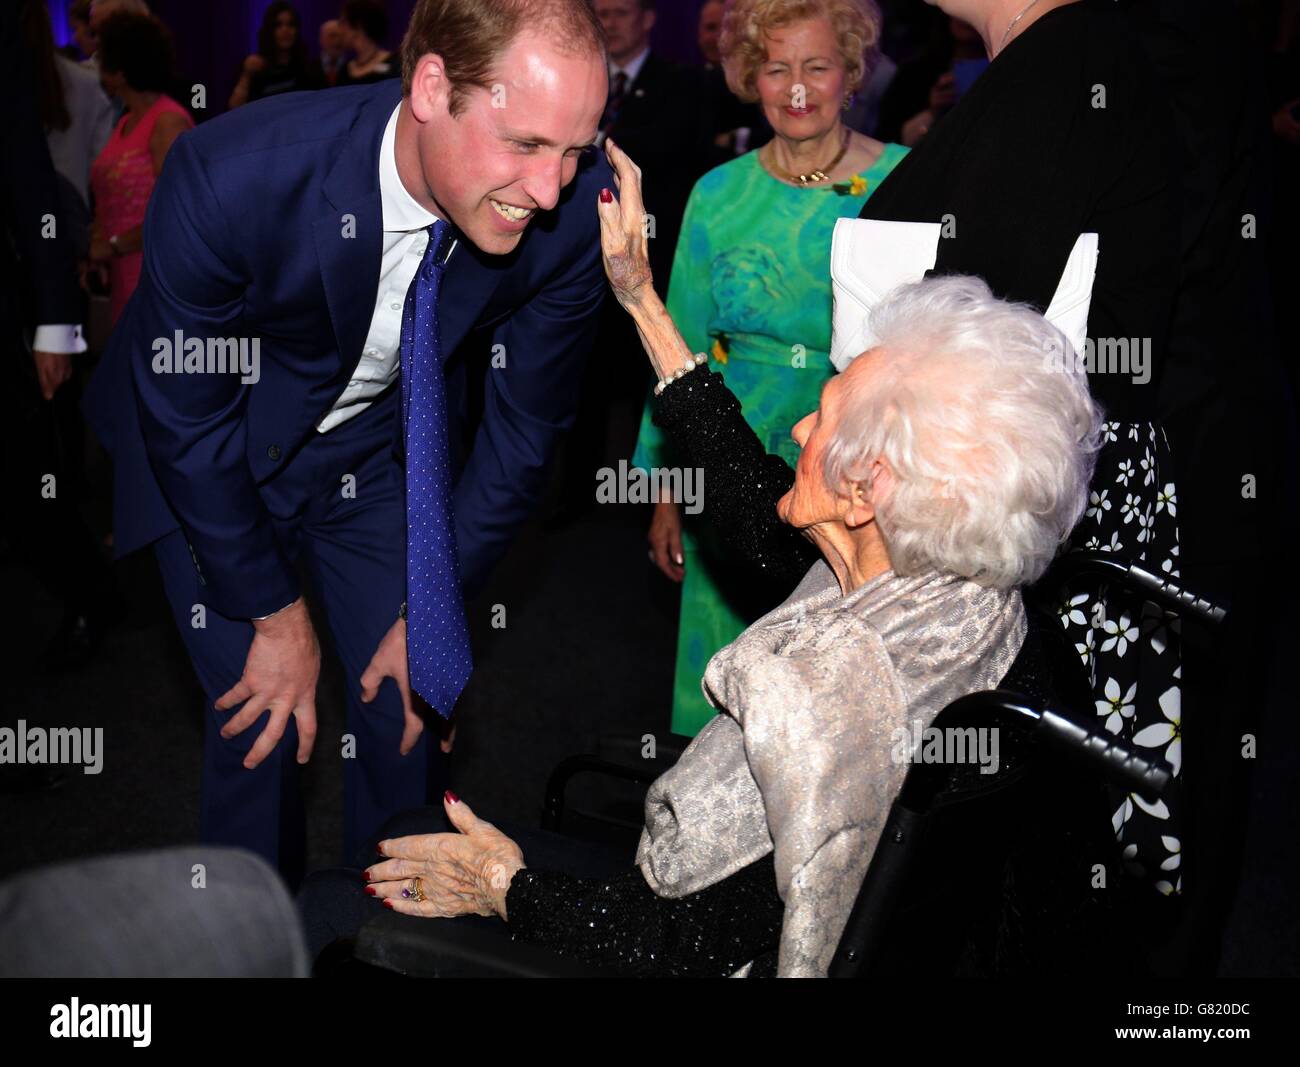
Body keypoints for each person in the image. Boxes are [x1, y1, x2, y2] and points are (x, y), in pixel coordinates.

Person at [297, 138, 1107, 978]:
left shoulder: (828, 702)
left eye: (822, 417)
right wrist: (643, 301)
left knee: (330, 902)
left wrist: (506, 886)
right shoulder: (960, 599)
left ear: (868, 491)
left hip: (668, 942)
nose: (796, 428)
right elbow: (759, 512)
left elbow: (683, 940)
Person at [81, 0, 612, 888]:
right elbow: (188, 419)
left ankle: (396, 934)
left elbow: (524, 436)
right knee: (261, 720)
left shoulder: (570, 220)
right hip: (215, 455)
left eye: (576, 148)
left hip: (368, 452)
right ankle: (258, 939)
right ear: (433, 87)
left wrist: (431, 612)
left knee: (411, 707)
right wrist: (274, 613)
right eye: (524, 144)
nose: (551, 190)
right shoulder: (234, 175)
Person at [853, 0, 1185, 905]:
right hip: (1013, 490)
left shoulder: (1069, 61)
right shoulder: (1047, 59)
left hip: (1023, 504)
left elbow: (980, 330)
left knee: (1017, 848)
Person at [632, 0, 908, 736]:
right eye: (775, 68)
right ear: (749, 78)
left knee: (837, 704)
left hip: (857, 475)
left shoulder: (906, 185)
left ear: (850, 75)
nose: (795, 87)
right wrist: (667, 490)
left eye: (815, 66)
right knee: (724, 694)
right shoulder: (716, 195)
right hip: (728, 464)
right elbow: (676, 347)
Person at [86, 11, 192, 327]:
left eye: (101, 54)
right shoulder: (123, 123)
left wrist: (113, 245)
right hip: (121, 275)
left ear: (119, 69)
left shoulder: (168, 122)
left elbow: (177, 214)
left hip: (157, 275)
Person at [228, 2, 325, 110]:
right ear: (269, 30)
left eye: (290, 24)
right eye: (278, 25)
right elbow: (234, 108)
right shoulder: (255, 66)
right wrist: (246, 75)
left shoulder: (308, 67)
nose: (285, 30)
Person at [334, 0, 399, 86]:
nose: (339, 29)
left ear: (358, 26)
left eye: (343, 22)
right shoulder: (344, 71)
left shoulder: (395, 64)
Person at [318, 18, 346, 87]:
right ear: (321, 39)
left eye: (341, 36)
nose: (337, 41)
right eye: (332, 36)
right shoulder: (307, 70)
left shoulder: (354, 70)